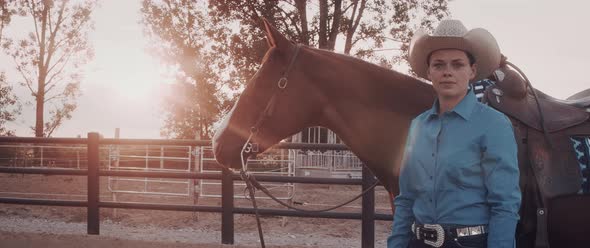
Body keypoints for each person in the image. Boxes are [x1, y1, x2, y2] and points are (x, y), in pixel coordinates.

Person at [387, 19, 521, 248]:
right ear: (429, 72)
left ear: (472, 71)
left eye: (457, 64)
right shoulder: (417, 126)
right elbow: (406, 198)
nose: (447, 72)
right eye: (439, 65)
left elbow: (504, 204)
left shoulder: (494, 125)